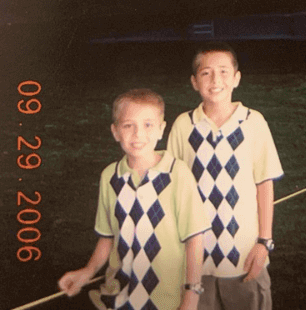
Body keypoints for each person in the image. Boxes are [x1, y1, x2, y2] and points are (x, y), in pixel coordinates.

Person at [59, 89, 209, 310]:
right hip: (117, 299)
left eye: (148, 125)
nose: (138, 134)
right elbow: (107, 237)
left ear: (161, 130)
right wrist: (87, 272)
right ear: (115, 131)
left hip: (167, 301)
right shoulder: (109, 176)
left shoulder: (178, 173)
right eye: (128, 125)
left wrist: (191, 295)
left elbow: (195, 239)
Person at [167, 45, 284, 309]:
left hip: (244, 253)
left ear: (236, 78)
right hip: (196, 258)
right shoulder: (184, 125)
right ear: (195, 82)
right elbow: (173, 189)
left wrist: (264, 242)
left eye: (223, 71)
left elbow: (264, 184)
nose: (216, 80)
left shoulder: (254, 122)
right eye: (206, 73)